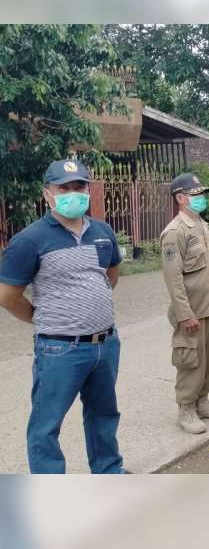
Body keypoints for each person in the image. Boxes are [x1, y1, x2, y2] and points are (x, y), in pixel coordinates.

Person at [0, 159, 127, 474]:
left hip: (105, 344)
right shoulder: (30, 240)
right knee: (46, 425)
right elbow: (6, 295)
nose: (74, 193)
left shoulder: (102, 231)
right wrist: (40, 318)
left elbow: (110, 275)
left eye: (80, 186)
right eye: (64, 188)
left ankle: (109, 472)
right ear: (48, 194)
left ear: (88, 189)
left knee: (104, 415)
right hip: (59, 349)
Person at [160, 173, 209, 434]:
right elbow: (173, 278)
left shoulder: (202, 226)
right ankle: (186, 408)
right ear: (180, 198)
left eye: (202, 194)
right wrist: (184, 314)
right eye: (195, 195)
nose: (201, 199)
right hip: (191, 310)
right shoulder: (174, 232)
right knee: (190, 359)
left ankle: (203, 400)